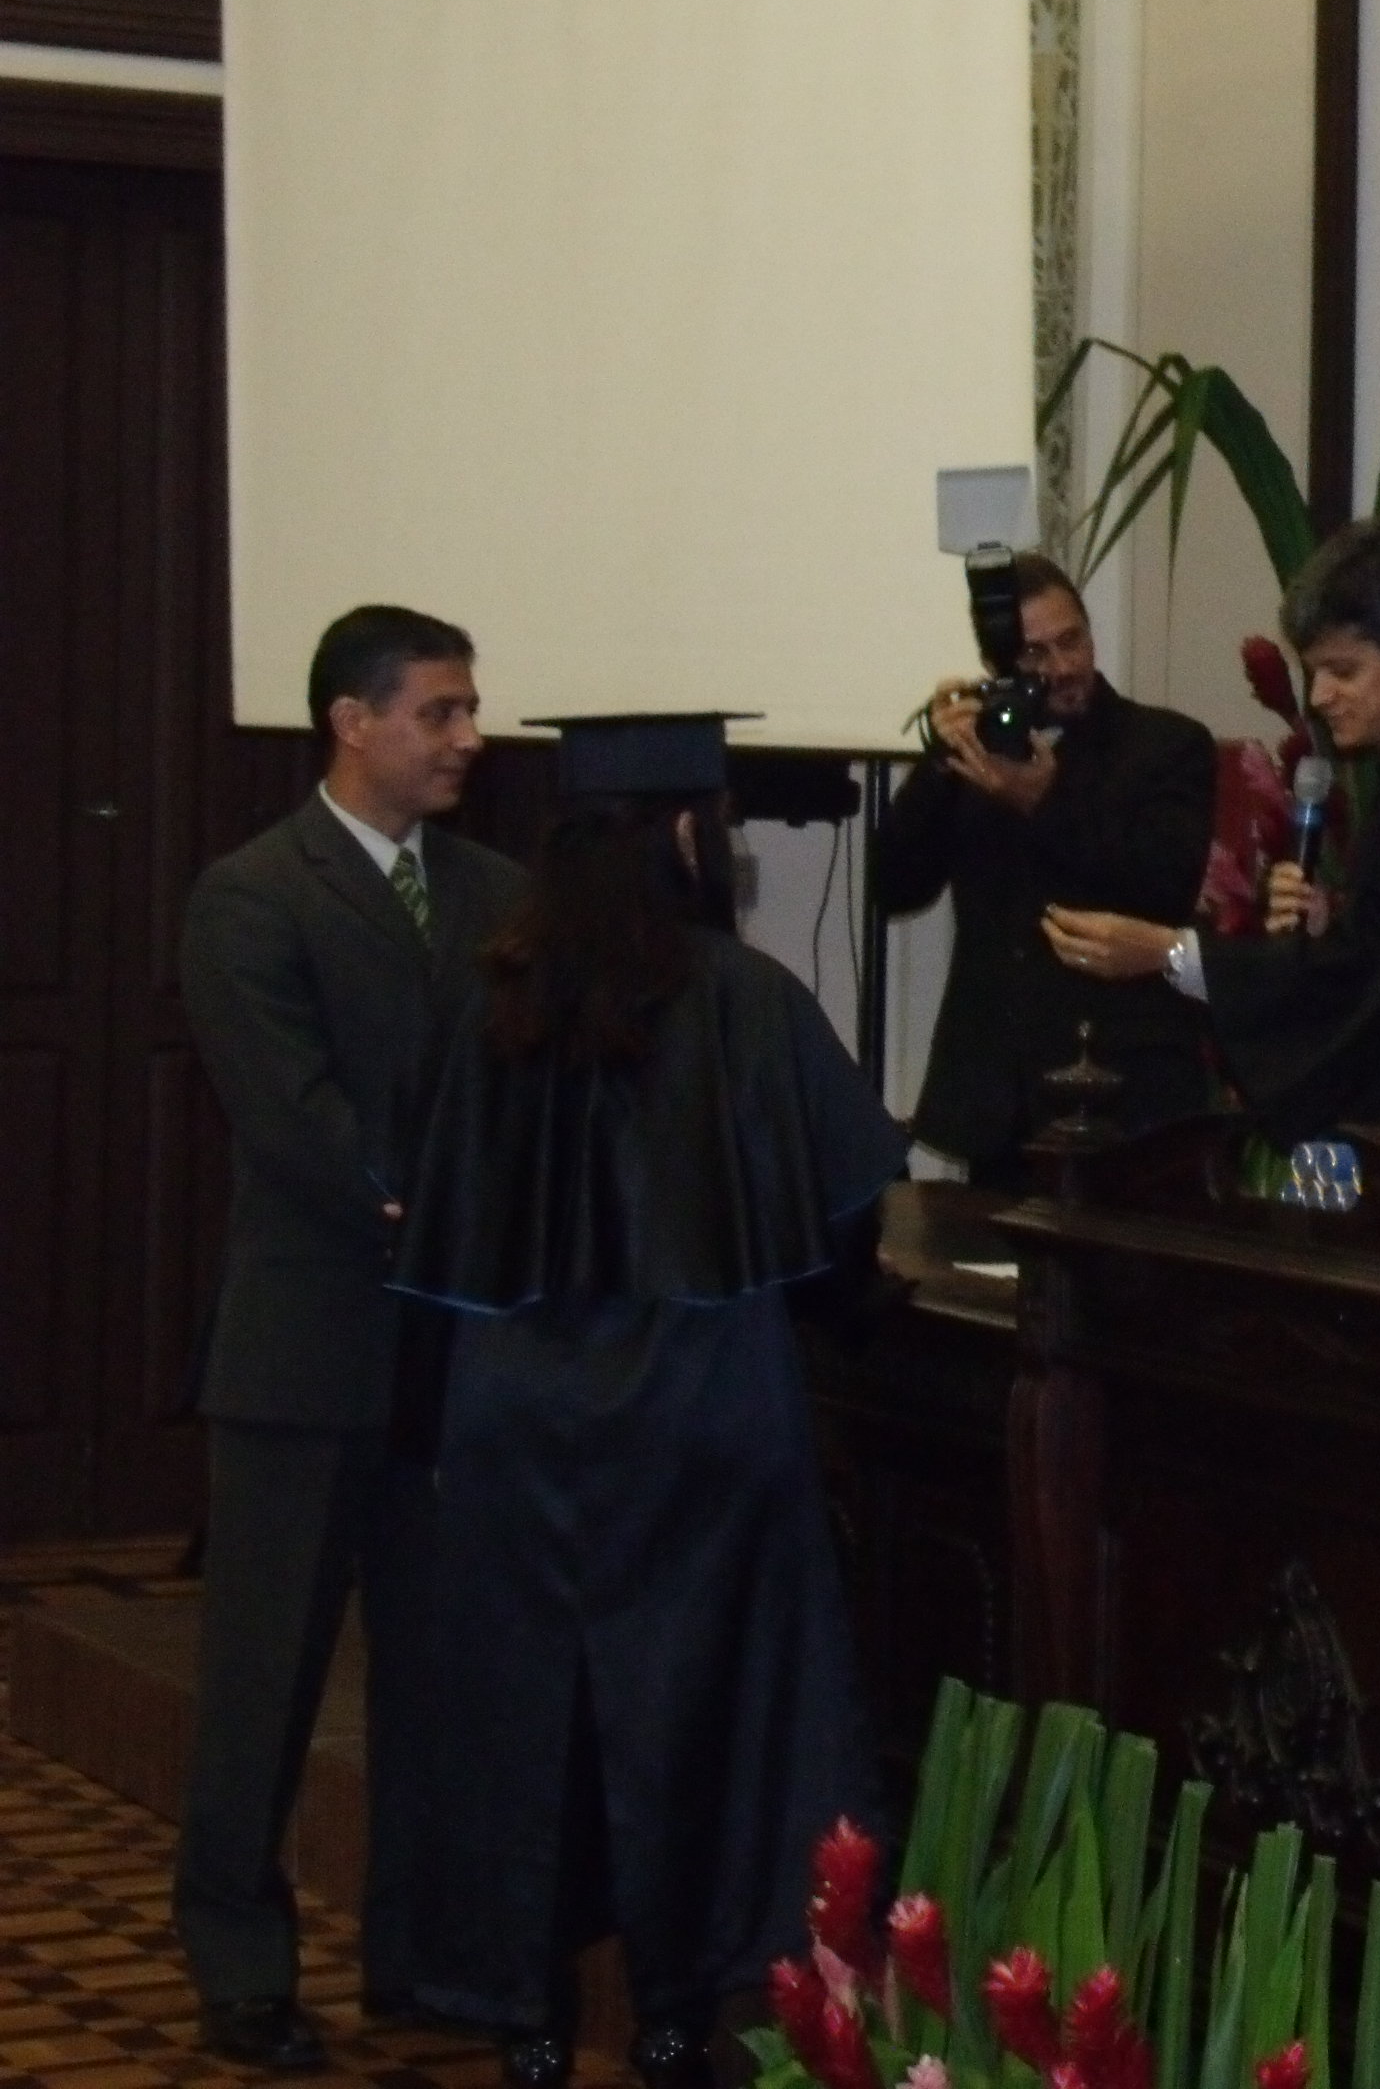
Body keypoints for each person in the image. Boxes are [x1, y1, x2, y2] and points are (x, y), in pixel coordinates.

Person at [389, 715, 902, 2089]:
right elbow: (844, 1215)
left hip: (516, 1416)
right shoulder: (745, 998)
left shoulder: (487, 999)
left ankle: (529, 2016)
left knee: (526, 1716)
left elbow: (434, 1224)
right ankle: (677, 2010)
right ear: (687, 833)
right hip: (701, 1407)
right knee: (701, 1708)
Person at [173, 605, 520, 2074]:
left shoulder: (498, 891)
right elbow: (296, 1118)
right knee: (265, 1683)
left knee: (440, 1684)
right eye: (439, 712)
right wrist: (432, 1206)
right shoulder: (255, 894)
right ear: (351, 721)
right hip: (308, 1354)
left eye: (469, 709)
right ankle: (242, 1967)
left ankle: (424, 1954)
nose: (468, 738)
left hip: (455, 1360)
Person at [1045, 521, 1380, 1139]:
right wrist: (1326, 926)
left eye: (1343, 670)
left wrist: (1171, 952)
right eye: (1314, 672)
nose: (1319, 696)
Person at [876, 551, 1216, 1172]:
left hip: (1124, 1094)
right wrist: (939, 763)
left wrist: (1045, 802)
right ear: (995, 666)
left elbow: (1164, 886)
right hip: (996, 1099)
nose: (1061, 668)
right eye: (1034, 654)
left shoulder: (1167, 745)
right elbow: (894, 888)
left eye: (1072, 641)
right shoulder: (976, 756)